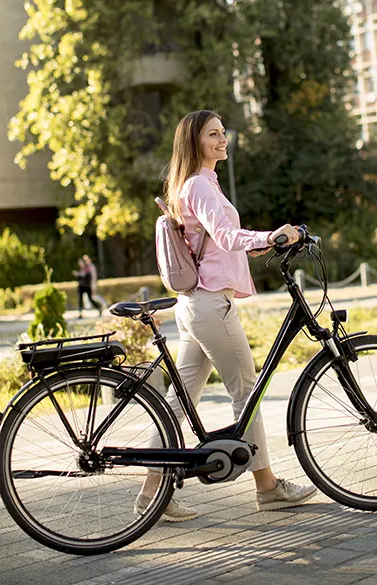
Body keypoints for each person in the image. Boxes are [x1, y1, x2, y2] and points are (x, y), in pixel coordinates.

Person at [135, 110, 317, 522]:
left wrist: (264, 243)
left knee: (177, 405)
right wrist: (269, 235)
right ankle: (268, 488)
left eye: (222, 133)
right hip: (211, 305)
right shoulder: (199, 184)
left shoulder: (203, 182)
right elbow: (227, 236)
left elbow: (220, 243)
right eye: (213, 134)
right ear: (195, 142)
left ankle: (150, 496)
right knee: (245, 392)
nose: (222, 140)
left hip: (198, 305)